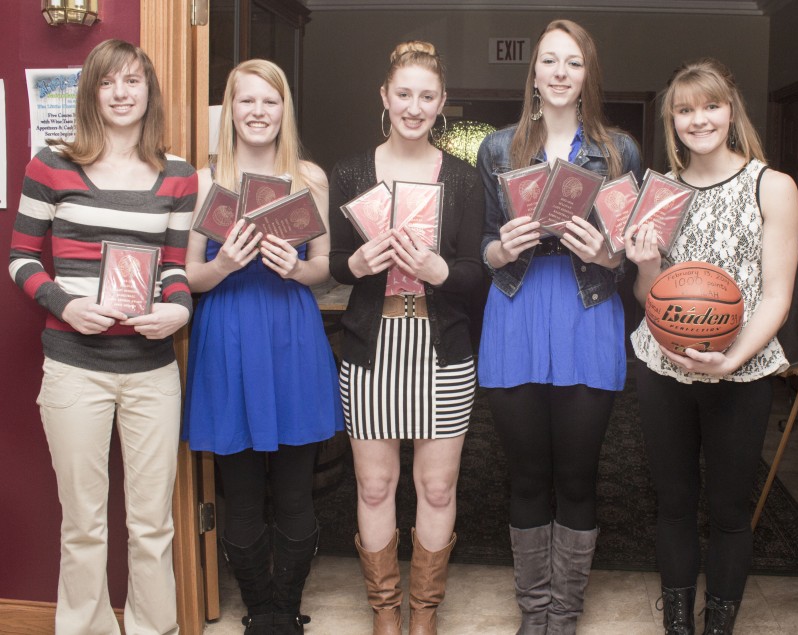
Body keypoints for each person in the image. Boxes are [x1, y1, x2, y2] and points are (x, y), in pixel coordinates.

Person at [9, 39, 196, 635]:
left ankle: (152, 629)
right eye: (109, 82)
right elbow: (18, 259)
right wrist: (64, 303)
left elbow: (174, 268)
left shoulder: (178, 176)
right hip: (73, 366)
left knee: (151, 524)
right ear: (92, 92)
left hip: (151, 371)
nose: (121, 93)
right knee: (83, 523)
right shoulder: (51, 164)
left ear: (149, 92)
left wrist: (179, 310)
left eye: (133, 81)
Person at [476, 19, 642, 635]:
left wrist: (609, 255)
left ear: (587, 74)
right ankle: (534, 612)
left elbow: (630, 246)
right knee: (524, 473)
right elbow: (484, 244)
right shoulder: (497, 149)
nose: (560, 73)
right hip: (516, 310)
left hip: (587, 311)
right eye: (550, 61)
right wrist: (500, 249)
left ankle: (565, 614)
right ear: (534, 72)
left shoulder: (620, 149)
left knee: (576, 472)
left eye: (573, 62)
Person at [625, 58, 798, 635]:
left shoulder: (772, 186)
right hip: (663, 367)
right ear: (672, 121)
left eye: (710, 106)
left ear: (731, 111)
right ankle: (677, 623)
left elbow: (776, 296)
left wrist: (732, 358)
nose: (698, 119)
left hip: (742, 371)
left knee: (729, 511)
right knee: (673, 503)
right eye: (684, 109)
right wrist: (647, 263)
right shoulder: (658, 191)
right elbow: (648, 293)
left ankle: (719, 625)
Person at [181, 59, 343, 634]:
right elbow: (186, 279)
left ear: (284, 111)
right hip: (227, 335)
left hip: (290, 334)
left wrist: (295, 271)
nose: (258, 112)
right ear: (231, 109)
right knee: (243, 493)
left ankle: (286, 610)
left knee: (297, 491)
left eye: (270, 102)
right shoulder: (204, 182)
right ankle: (259, 612)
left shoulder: (309, 178)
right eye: (246, 101)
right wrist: (222, 264)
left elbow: (322, 268)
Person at [328, 41, 484, 635]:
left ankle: (424, 615)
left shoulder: (465, 180)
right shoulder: (351, 172)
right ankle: (385, 613)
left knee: (438, 487)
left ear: (441, 103)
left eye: (426, 96)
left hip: (441, 347)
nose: (414, 107)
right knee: (374, 484)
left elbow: (476, 271)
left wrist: (441, 271)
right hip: (373, 346)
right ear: (385, 98)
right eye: (404, 94)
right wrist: (359, 263)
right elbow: (335, 264)